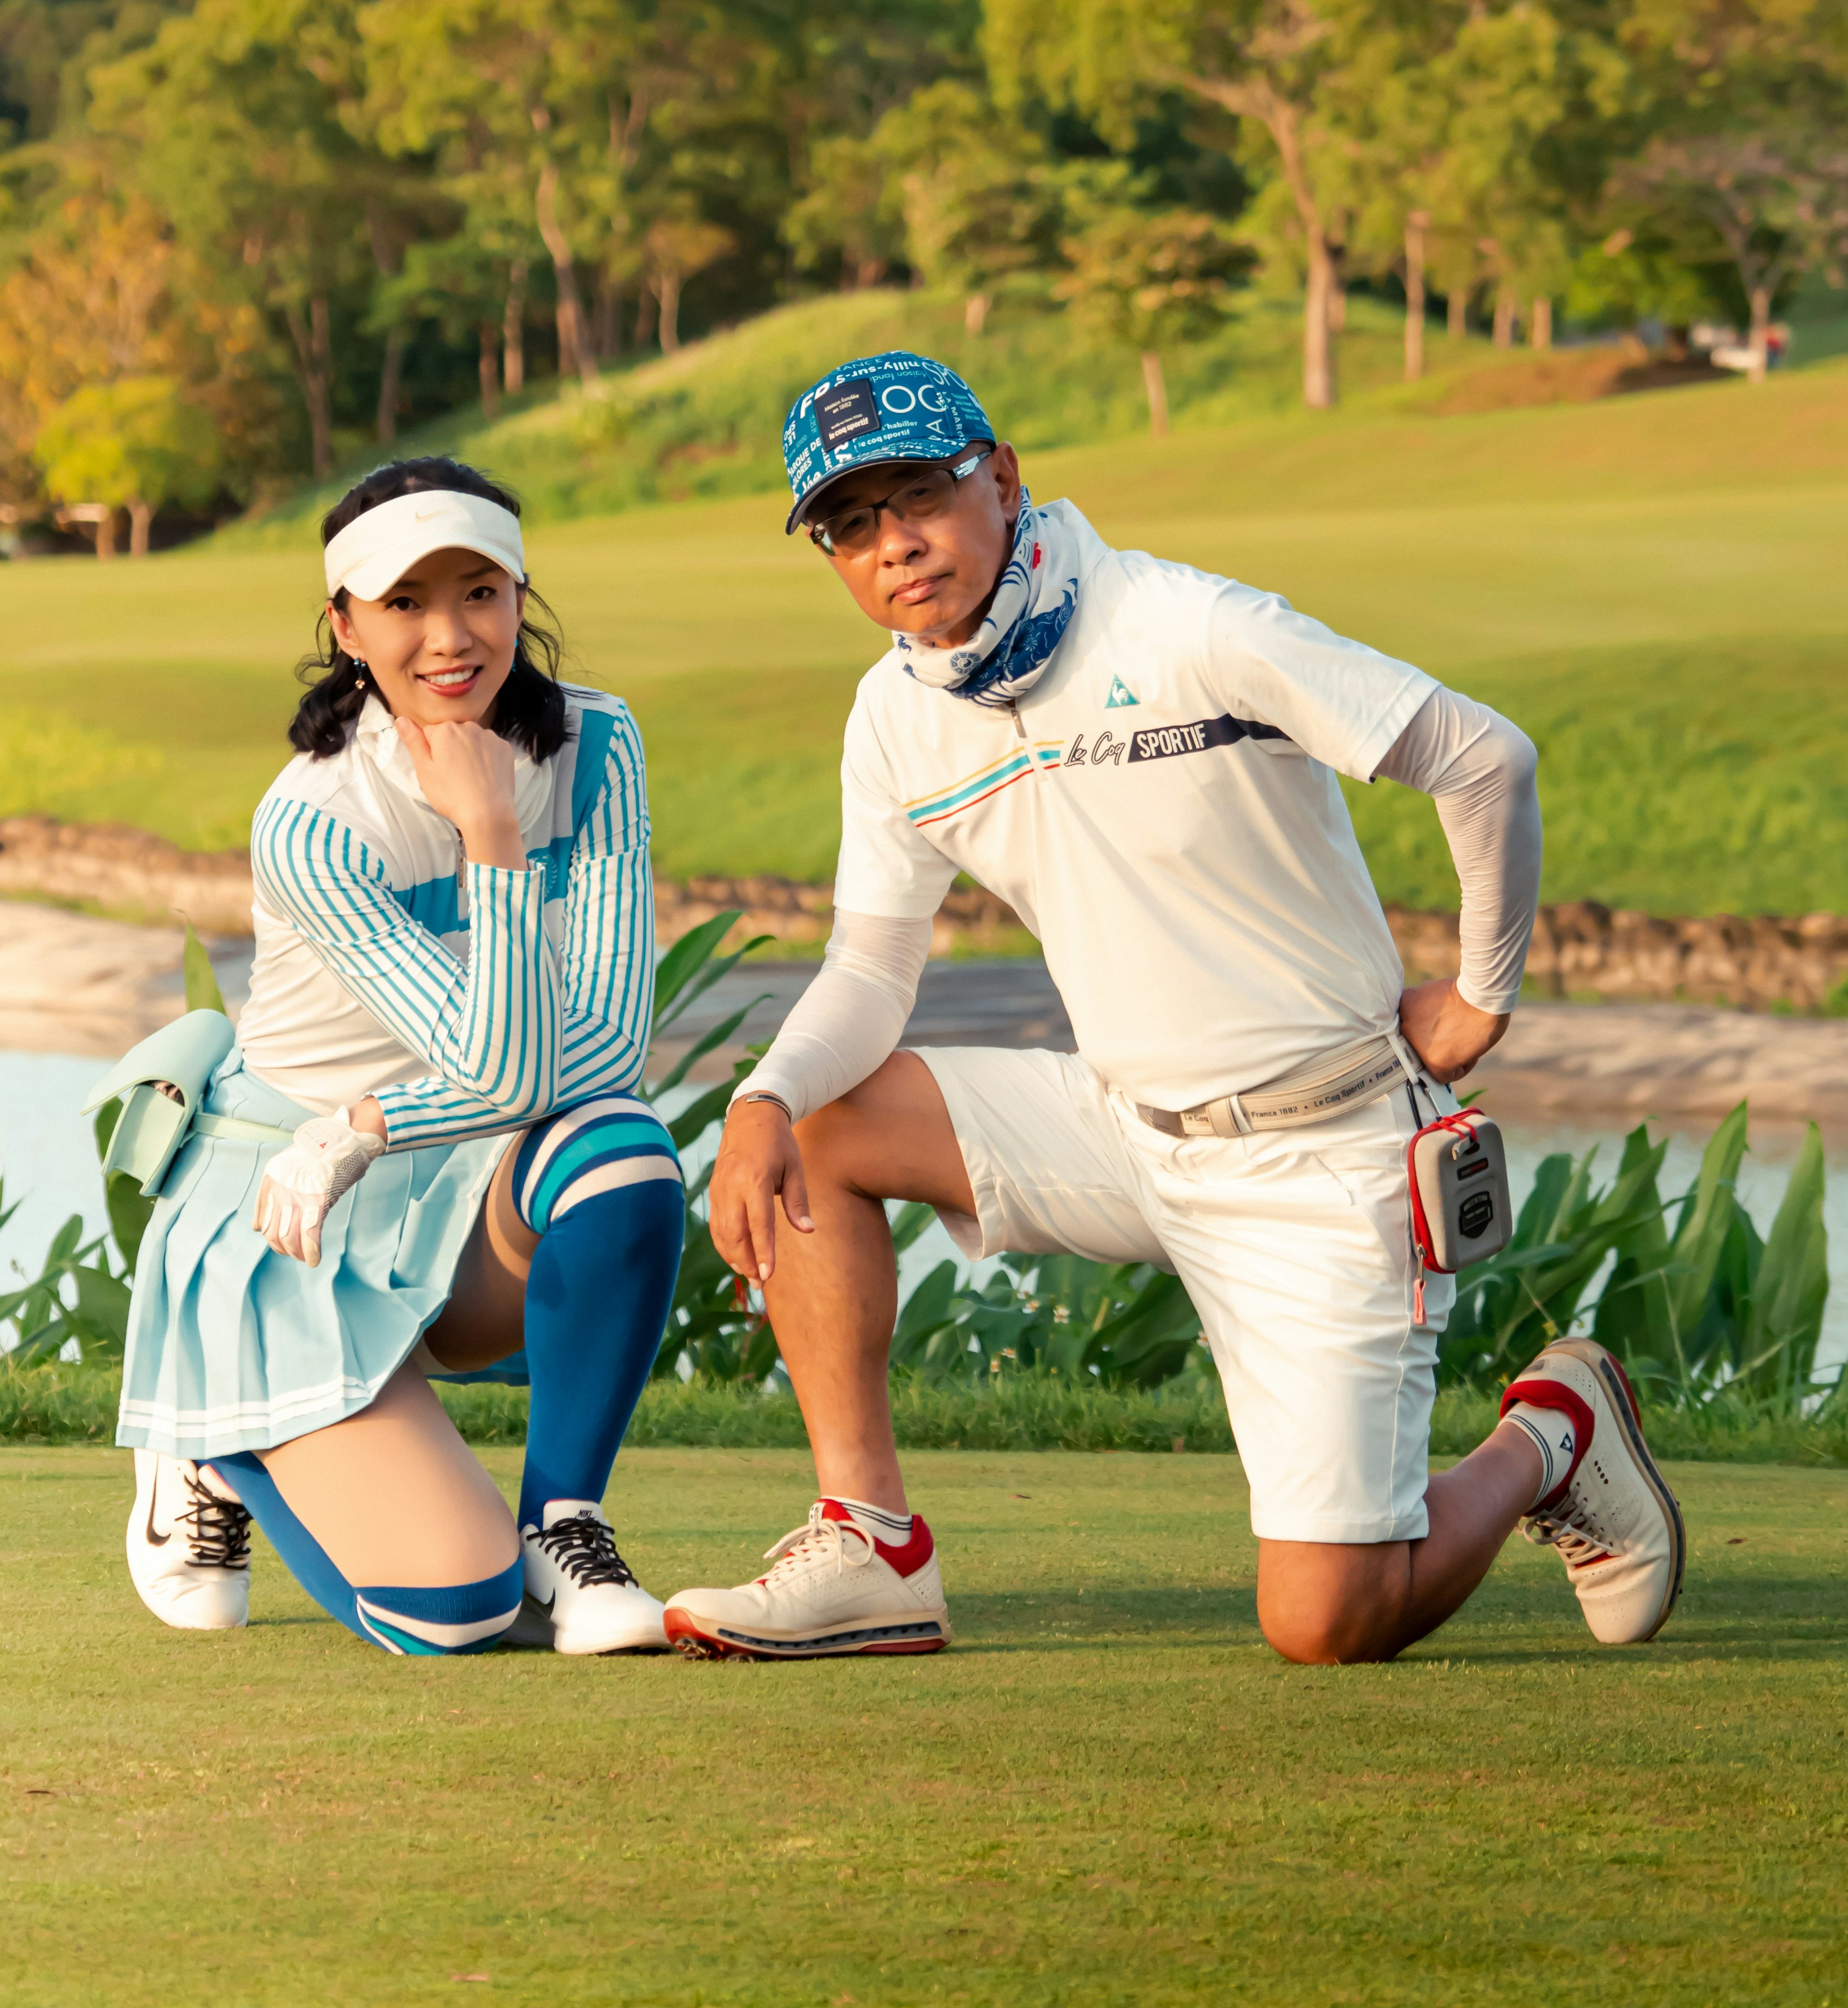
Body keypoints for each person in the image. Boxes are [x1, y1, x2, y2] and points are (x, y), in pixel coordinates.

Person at [662, 352, 1684, 1666]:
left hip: (1326, 1154)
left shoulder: (1184, 624)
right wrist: (761, 1098)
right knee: (819, 1121)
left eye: (918, 493)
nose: (892, 545)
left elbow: (1483, 756)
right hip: (1123, 1128)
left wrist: (1483, 996)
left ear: (1004, 475)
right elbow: (870, 972)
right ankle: (872, 1551)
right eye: (849, 527)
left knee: (1328, 1622)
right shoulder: (897, 717)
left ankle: (1556, 1436)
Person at [118, 456, 685, 1658]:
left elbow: (606, 1050)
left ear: (521, 592)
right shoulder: (314, 818)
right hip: (289, 1216)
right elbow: (522, 1066)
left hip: (440, 1178)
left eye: (478, 592)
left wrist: (371, 1124)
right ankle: (210, 1442)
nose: (449, 637)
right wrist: (489, 835)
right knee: (454, 1619)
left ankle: (564, 1532)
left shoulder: (600, 743)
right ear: (344, 626)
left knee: (619, 1151)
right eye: (404, 605)